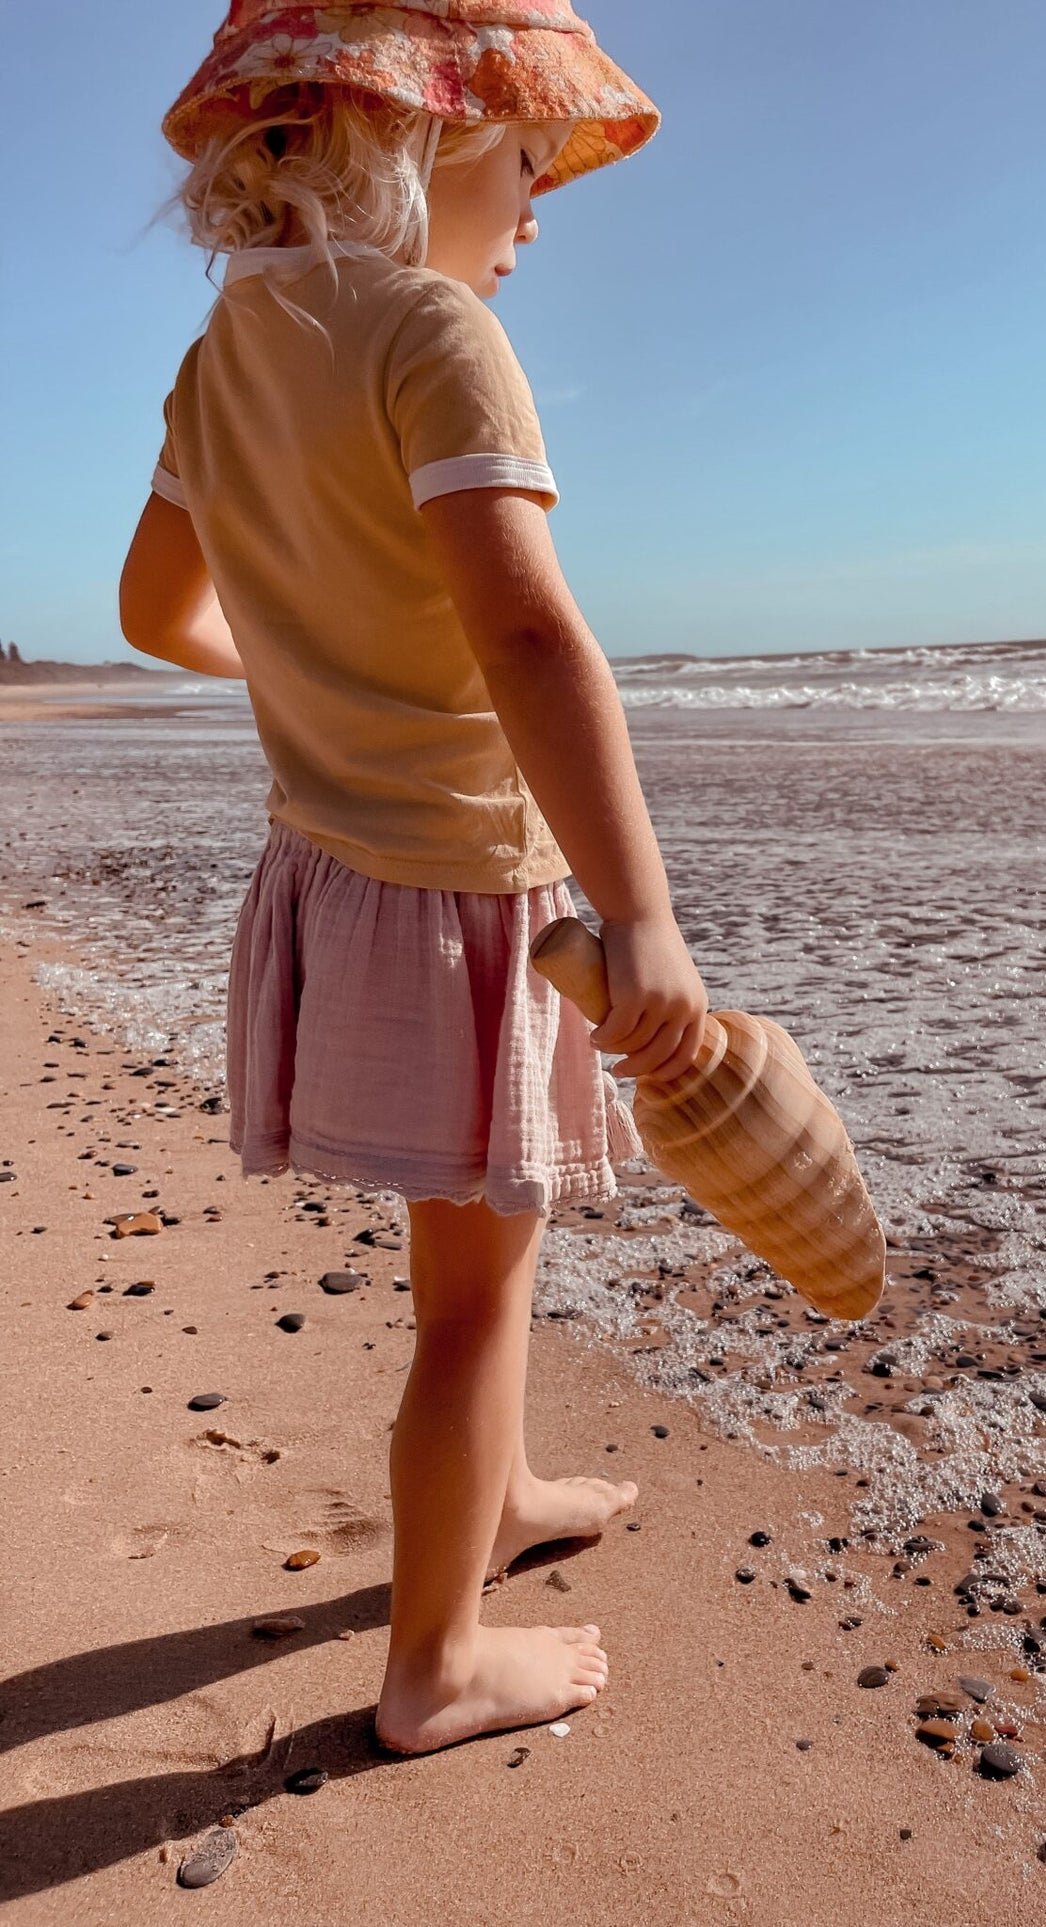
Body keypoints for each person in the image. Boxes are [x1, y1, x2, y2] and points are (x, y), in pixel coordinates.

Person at [118, 1, 708, 1757]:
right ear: (428, 138)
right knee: (476, 1300)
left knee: (458, 1268)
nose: (533, 214)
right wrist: (647, 915)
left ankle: (505, 1485)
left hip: (331, 874)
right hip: (467, 889)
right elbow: (529, 630)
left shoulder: (223, 356)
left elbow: (158, 615)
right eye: (526, 167)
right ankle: (435, 1664)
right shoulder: (432, 331)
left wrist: (304, 668)